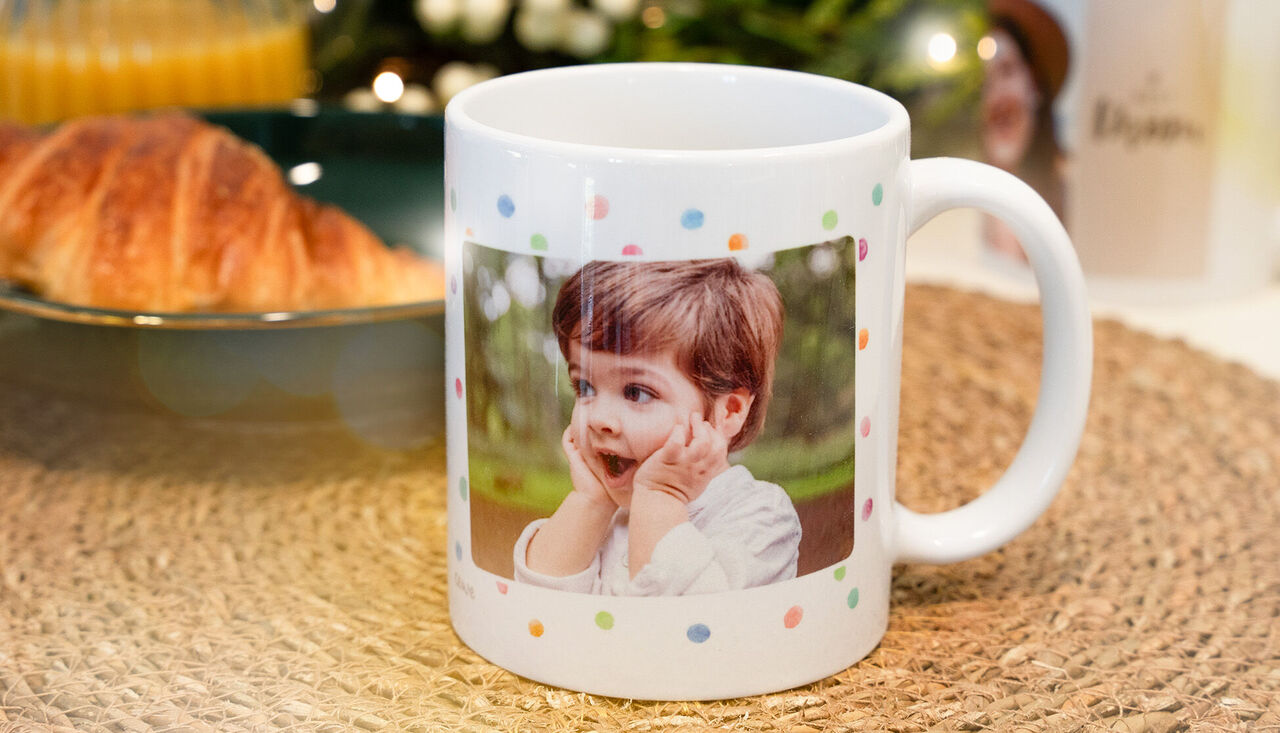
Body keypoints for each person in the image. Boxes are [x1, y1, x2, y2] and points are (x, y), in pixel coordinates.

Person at [512, 258, 801, 596]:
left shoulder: (761, 516)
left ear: (729, 411)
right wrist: (589, 503)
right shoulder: (605, 513)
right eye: (585, 387)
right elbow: (534, 606)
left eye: (636, 392)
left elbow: (691, 628)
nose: (600, 419)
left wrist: (662, 497)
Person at [981, 0, 1070, 262]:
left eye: (1006, 70)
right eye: (984, 81)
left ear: (1035, 86)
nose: (993, 98)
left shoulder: (1071, 191)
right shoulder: (979, 201)